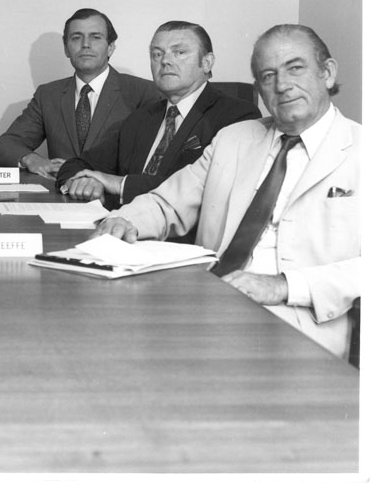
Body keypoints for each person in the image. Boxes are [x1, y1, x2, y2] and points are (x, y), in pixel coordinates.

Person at [93, 25, 359, 359]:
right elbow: (167, 202)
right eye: (268, 75)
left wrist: (284, 285)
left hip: (299, 320)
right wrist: (125, 219)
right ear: (258, 88)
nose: (282, 85)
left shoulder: (363, 150)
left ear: (328, 73)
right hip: (208, 301)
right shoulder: (233, 139)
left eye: (296, 68)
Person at [56, 21, 260, 209]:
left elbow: (209, 189)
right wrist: (84, 181)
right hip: (120, 231)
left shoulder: (236, 116)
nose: (166, 61)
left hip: (184, 243)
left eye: (179, 52)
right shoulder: (141, 118)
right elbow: (78, 164)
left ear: (207, 62)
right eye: (157, 54)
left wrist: (120, 184)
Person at [0, 8, 159, 176]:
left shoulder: (144, 92)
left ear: (110, 48)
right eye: (76, 38)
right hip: (60, 198)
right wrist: (31, 159)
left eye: (96, 37)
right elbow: (5, 144)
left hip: (116, 199)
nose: (86, 44)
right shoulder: (48, 95)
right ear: (66, 48)